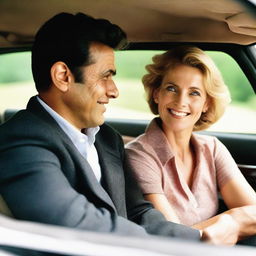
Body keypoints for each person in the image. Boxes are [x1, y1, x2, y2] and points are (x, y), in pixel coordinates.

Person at [0, 13, 200, 241]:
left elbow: (138, 212)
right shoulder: (19, 140)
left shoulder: (107, 138)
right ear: (63, 76)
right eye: (105, 76)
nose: (114, 90)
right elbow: (74, 222)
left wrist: (201, 240)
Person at [125, 46, 256, 245]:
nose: (181, 101)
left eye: (194, 93)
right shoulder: (139, 155)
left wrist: (230, 222)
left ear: (206, 103)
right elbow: (172, 238)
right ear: (156, 94)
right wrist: (229, 222)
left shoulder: (212, 148)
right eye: (171, 88)